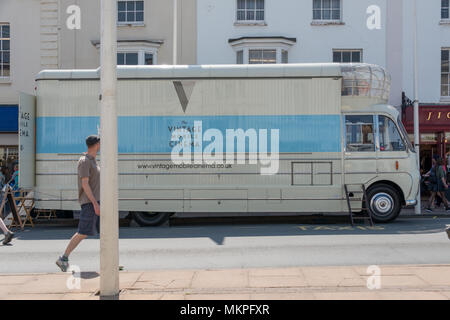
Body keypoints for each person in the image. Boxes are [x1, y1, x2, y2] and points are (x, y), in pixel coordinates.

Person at [56, 135, 100, 272]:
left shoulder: (93, 160)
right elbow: (85, 185)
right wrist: (94, 203)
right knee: (82, 232)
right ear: (97, 144)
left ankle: (109, 261)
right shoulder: (84, 161)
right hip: (90, 203)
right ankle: (63, 258)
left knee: (106, 231)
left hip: (96, 202)